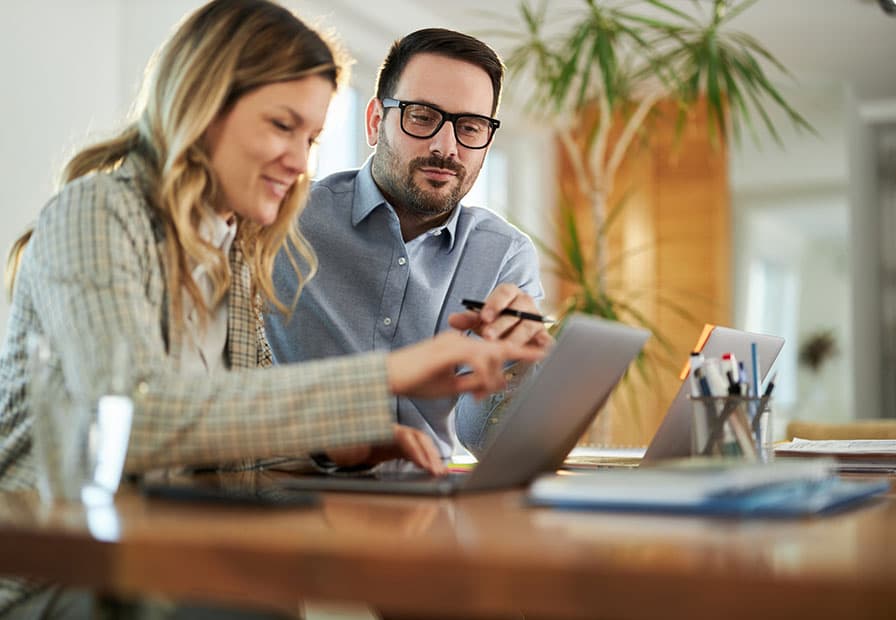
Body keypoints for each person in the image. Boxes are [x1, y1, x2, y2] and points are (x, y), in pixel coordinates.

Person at [0, 2, 543, 617]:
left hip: (168, 553)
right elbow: (135, 419)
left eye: (310, 138)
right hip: (57, 573)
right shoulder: (98, 213)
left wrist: (342, 446)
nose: (299, 161)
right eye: (281, 127)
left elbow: (235, 450)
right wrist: (391, 375)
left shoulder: (230, 250)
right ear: (202, 106)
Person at [265, 28, 553, 459]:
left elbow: (485, 440)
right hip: (287, 489)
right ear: (375, 121)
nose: (446, 147)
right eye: (421, 116)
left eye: (470, 127)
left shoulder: (504, 255)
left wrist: (520, 366)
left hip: (428, 502)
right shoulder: (283, 219)